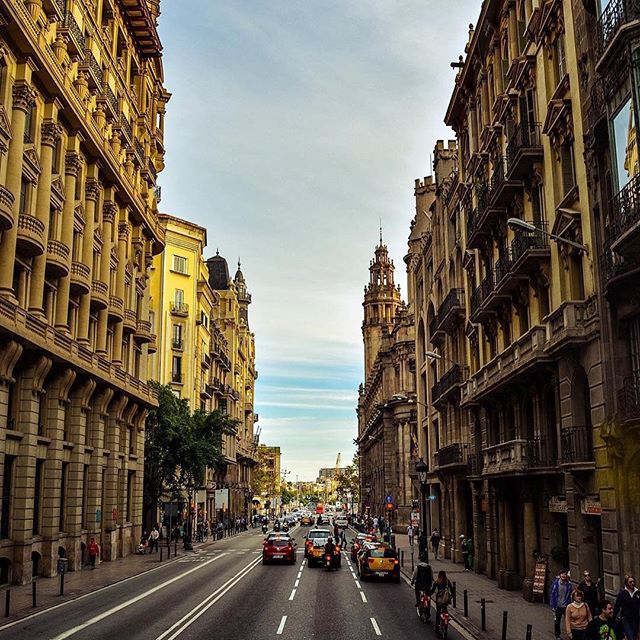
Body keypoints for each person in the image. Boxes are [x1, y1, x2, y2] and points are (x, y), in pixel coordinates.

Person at [613, 575, 640, 640]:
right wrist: (613, 618)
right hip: (626, 619)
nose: (632, 583)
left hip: (636, 619)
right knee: (631, 637)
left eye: (633, 581)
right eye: (630, 582)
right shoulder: (622, 593)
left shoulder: (637, 593)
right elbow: (617, 606)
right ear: (626, 583)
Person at [551, 570, 573, 640]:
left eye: (565, 574)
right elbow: (552, 595)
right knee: (557, 621)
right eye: (562, 574)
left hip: (566, 606)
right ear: (560, 575)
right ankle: (557, 635)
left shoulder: (568, 585)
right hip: (557, 606)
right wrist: (552, 606)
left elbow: (570, 595)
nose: (564, 575)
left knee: (569, 620)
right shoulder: (555, 584)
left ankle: (570, 634)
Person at [431, 570, 453, 637]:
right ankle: (446, 620)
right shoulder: (447, 581)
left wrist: (429, 594)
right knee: (445, 610)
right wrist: (451, 596)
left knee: (438, 613)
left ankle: (437, 628)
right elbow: (452, 590)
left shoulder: (437, 581)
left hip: (439, 600)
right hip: (445, 600)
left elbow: (432, 590)